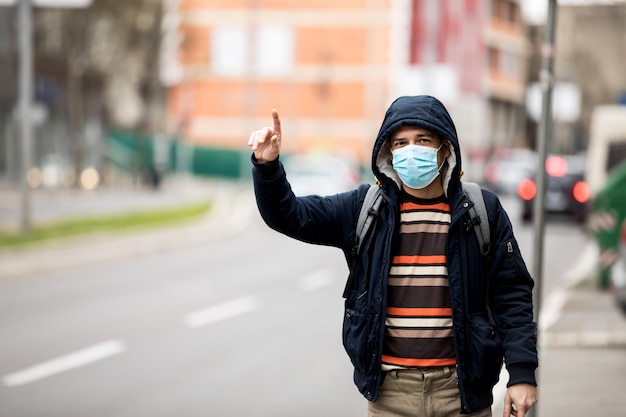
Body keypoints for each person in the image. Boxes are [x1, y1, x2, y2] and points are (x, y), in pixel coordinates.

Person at [248, 95, 538, 417]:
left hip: (462, 394)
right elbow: (289, 215)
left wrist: (522, 373)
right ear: (389, 151)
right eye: (400, 142)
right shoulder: (364, 208)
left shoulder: (482, 210)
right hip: (390, 397)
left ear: (445, 148)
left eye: (422, 140)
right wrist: (267, 167)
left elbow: (512, 295)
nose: (410, 150)